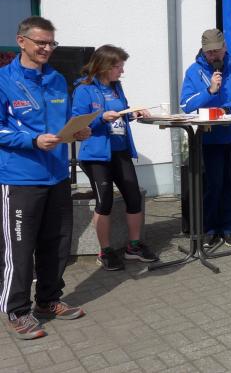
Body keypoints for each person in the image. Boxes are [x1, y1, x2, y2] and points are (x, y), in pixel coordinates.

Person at [0, 17, 91, 340]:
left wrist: (78, 130)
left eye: (51, 42)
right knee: (20, 249)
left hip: (57, 175)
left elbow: (63, 122)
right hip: (21, 178)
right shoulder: (4, 80)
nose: (47, 48)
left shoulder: (56, 79)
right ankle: (17, 309)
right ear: (21, 41)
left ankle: (49, 300)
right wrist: (32, 140)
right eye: (41, 42)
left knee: (57, 243)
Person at [72, 45, 159, 271]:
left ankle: (134, 247)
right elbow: (78, 123)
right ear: (104, 66)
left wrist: (133, 113)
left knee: (133, 197)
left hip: (120, 151)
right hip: (96, 155)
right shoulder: (84, 89)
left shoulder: (116, 86)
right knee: (105, 202)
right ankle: (105, 251)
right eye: (118, 67)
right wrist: (101, 118)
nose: (122, 71)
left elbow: (122, 113)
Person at [180, 29, 231, 249]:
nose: (213, 56)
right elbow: (186, 105)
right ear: (203, 51)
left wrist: (226, 108)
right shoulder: (194, 71)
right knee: (213, 184)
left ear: (225, 48)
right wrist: (209, 91)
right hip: (211, 138)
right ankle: (210, 230)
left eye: (217, 51)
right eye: (209, 52)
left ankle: (229, 229)